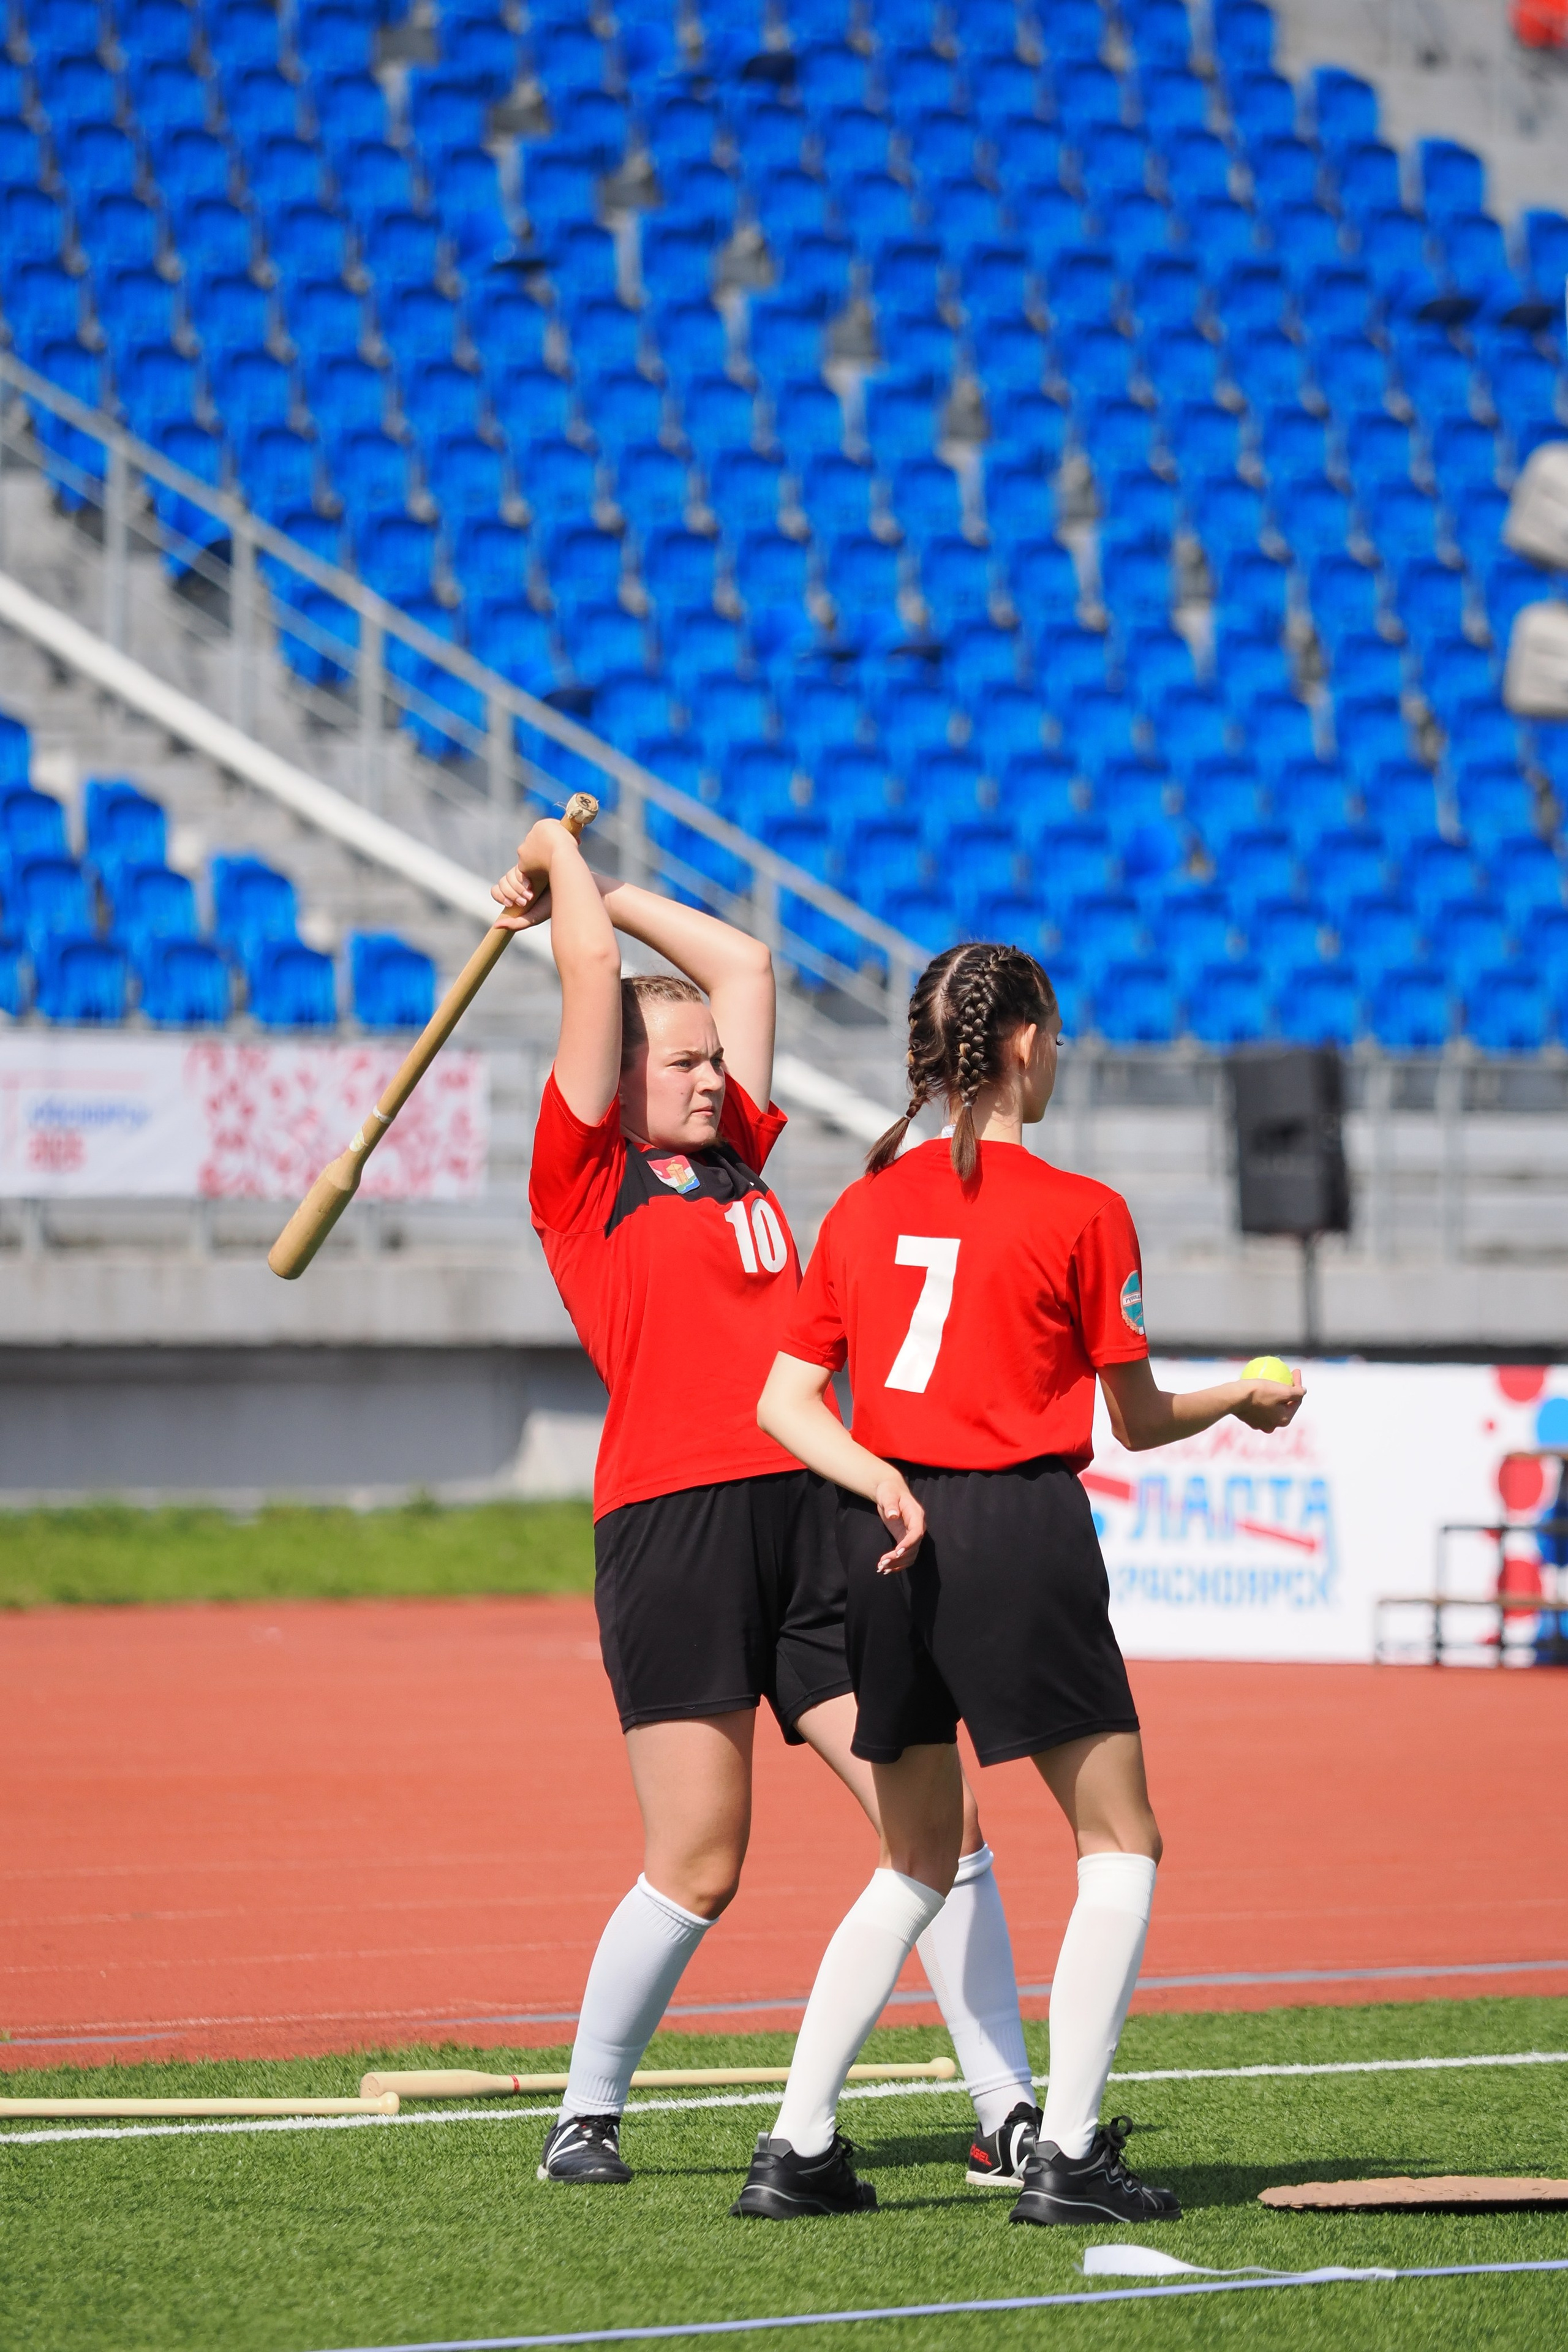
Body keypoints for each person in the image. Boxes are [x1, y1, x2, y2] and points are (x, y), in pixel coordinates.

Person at [492, 823, 1042, 2190]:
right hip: (673, 1531)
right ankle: (586, 2114)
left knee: (944, 1825)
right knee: (700, 1859)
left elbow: (741, 961)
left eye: (706, 1062)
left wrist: (599, 876)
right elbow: (588, 980)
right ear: (613, 1081)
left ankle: (1008, 2113)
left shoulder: (731, 1147)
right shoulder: (581, 1181)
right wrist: (556, 879)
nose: (706, 1079)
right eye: (674, 1065)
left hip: (816, 1517)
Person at [731, 941, 1305, 2225]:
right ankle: (1070, 2155)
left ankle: (796, 2147)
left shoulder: (861, 1205)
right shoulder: (1080, 1209)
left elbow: (781, 1402)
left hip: (880, 1540)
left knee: (912, 1861)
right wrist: (1248, 1394)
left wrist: (879, 1481)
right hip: (1015, 1531)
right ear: (1025, 1044)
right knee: (1120, 1840)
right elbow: (1140, 1417)